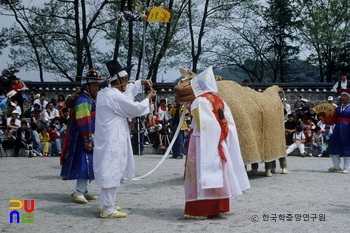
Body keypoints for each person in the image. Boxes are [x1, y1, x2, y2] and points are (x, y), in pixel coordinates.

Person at [183, 66, 250, 219]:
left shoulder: (200, 100)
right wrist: (221, 137)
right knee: (218, 172)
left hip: (202, 141)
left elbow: (203, 123)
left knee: (200, 172)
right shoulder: (220, 101)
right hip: (219, 141)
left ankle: (200, 209)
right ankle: (217, 207)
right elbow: (228, 123)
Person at [94, 59, 156, 218]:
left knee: (113, 170)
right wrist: (148, 98)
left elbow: (127, 91)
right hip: (112, 140)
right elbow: (133, 108)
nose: (128, 82)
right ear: (118, 80)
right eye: (126, 79)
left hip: (112, 138)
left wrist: (140, 83)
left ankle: (109, 204)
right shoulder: (113, 96)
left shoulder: (105, 93)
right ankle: (108, 209)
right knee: (111, 170)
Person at [60, 68, 103, 204]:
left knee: (90, 163)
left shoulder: (89, 99)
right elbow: (83, 121)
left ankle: (83, 190)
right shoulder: (83, 100)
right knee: (84, 163)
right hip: (82, 137)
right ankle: (78, 192)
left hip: (89, 135)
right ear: (86, 86)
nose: (97, 88)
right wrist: (87, 139)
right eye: (94, 85)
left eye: (97, 85)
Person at [324, 89, 350, 174]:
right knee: (334, 145)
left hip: (347, 129)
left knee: (347, 146)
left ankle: (347, 167)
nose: (343, 98)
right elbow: (333, 119)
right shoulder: (338, 108)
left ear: (349, 98)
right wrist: (325, 118)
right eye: (342, 96)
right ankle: (336, 166)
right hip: (337, 128)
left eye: (345, 96)